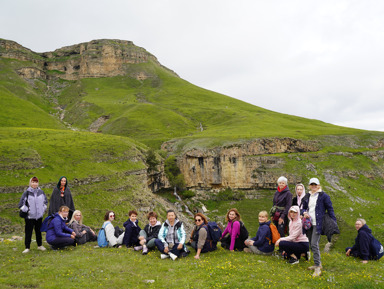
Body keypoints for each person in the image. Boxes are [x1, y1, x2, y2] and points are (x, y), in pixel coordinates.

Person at [301, 177, 337, 277]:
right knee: (310, 243)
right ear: (309, 185)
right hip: (308, 223)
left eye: (315, 184)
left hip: (318, 224)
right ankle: (318, 263)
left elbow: (330, 209)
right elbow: (303, 207)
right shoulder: (307, 196)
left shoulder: (324, 196)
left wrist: (333, 221)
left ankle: (317, 267)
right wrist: (304, 212)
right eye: (312, 184)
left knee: (314, 243)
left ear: (318, 185)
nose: (313, 186)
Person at [18, 176, 48, 253]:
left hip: (39, 217)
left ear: (38, 183)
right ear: (30, 183)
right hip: (29, 217)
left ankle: (40, 245)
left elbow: (45, 202)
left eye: (36, 182)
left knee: (38, 231)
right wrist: (28, 210)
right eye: (33, 182)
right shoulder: (26, 192)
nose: (34, 184)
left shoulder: (41, 192)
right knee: (28, 232)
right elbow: (21, 204)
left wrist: (42, 210)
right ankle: (27, 247)